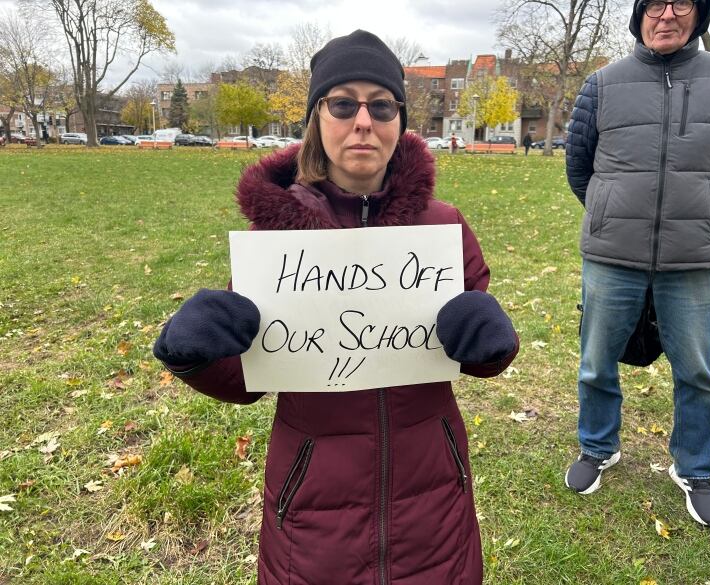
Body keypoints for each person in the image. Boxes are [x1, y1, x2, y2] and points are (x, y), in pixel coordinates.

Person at [153, 30, 518, 584]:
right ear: (317, 118)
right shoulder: (276, 239)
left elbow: (470, 352)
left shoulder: (444, 229)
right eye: (343, 104)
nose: (363, 122)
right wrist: (195, 355)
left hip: (433, 500)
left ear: (400, 118)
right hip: (312, 509)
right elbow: (249, 377)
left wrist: (491, 344)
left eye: (382, 105)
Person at [564, 0, 710, 527]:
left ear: (699, 14)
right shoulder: (601, 83)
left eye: (682, 2)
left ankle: (694, 468)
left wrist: (693, 212)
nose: (667, 15)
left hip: (693, 257)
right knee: (597, 361)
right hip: (612, 253)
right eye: (655, 4)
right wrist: (615, 213)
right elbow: (580, 165)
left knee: (699, 372)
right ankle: (597, 447)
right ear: (639, 14)